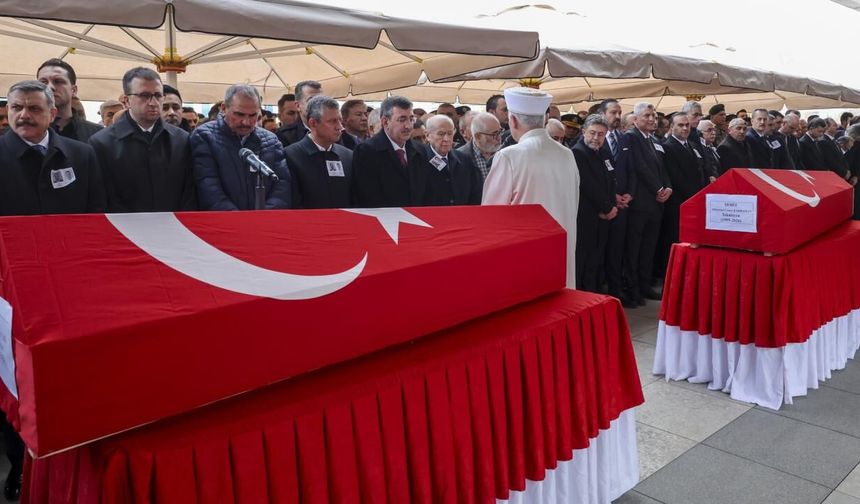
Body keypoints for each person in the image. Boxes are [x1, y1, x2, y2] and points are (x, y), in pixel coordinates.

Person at [0, 80, 106, 498]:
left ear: (52, 113)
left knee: (69, 376)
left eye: (33, 109)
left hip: (70, 287)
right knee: (17, 380)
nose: (24, 115)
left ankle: (70, 459)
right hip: (12, 293)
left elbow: (96, 215)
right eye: (17, 108)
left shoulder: (81, 154)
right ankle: (20, 464)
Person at [482, 87, 580, 289]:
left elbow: (490, 217)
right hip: (562, 256)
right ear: (544, 120)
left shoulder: (509, 156)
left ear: (513, 121)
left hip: (523, 262)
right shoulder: (567, 155)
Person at [89, 67, 196, 213]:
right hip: (123, 229)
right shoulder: (101, 143)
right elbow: (100, 197)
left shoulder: (181, 140)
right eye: (145, 96)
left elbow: (189, 193)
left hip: (174, 227)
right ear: (127, 101)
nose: (153, 102)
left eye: (158, 95)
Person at [190, 84, 290, 210]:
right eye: (239, 114)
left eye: (253, 115)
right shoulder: (204, 136)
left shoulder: (271, 140)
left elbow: (282, 185)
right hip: (224, 222)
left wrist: (266, 216)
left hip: (265, 221)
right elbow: (208, 186)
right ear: (224, 108)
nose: (246, 122)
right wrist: (237, 219)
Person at [617, 102, 671, 306]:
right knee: (634, 249)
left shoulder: (654, 140)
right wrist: (658, 188)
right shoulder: (631, 137)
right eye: (647, 115)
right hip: (640, 202)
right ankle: (633, 289)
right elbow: (640, 167)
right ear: (636, 118)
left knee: (649, 248)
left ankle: (644, 284)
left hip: (656, 204)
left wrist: (668, 187)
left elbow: (662, 168)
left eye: (654, 116)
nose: (652, 119)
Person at [352, 95, 429, 207]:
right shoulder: (366, 151)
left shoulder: (420, 150)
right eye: (402, 120)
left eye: (411, 119)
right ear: (385, 122)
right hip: (383, 220)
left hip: (417, 219)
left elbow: (425, 191)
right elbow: (365, 196)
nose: (408, 125)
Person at [659, 113, 707, 279]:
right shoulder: (668, 146)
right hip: (678, 201)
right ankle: (671, 274)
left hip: (694, 199)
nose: (685, 128)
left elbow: (700, 169)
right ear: (672, 127)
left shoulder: (692, 145)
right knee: (674, 238)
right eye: (680, 125)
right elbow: (675, 176)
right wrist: (693, 196)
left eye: (687, 125)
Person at [572, 115, 616, 292]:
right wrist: (606, 207)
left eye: (601, 134)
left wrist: (612, 203)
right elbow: (587, 184)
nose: (596, 138)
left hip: (605, 215)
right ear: (584, 132)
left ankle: (594, 291)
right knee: (583, 259)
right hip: (586, 215)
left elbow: (611, 179)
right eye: (592, 133)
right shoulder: (578, 153)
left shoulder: (604, 151)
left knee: (597, 258)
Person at [284, 95, 353, 208]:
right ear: (313, 123)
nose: (339, 127)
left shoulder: (348, 156)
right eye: (332, 121)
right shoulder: (291, 156)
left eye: (340, 120)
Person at [36, 58, 103, 142]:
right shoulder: (25, 131)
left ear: (73, 90)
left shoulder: (97, 133)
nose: (50, 87)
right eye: (43, 82)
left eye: (58, 81)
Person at [422, 115, 481, 205]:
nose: (446, 139)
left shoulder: (464, 160)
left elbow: (475, 194)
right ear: (427, 135)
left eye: (450, 133)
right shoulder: (419, 161)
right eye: (441, 134)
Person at [457, 112, 501, 182]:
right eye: (494, 134)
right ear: (478, 137)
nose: (499, 138)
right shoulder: (459, 158)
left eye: (500, 132)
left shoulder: (506, 152)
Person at [277, 80, 322, 147]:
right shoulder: (284, 135)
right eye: (311, 100)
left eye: (321, 100)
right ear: (298, 105)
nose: (317, 104)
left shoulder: (332, 129)